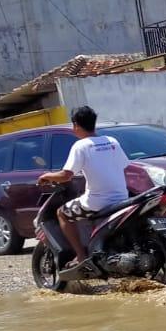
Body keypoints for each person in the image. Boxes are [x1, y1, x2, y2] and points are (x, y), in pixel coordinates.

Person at [37, 106, 130, 267]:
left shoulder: (80, 146)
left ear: (76, 125)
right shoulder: (112, 142)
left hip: (97, 202)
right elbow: (123, 166)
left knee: (62, 213)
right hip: (122, 198)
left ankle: (80, 255)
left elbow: (66, 175)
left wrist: (46, 176)